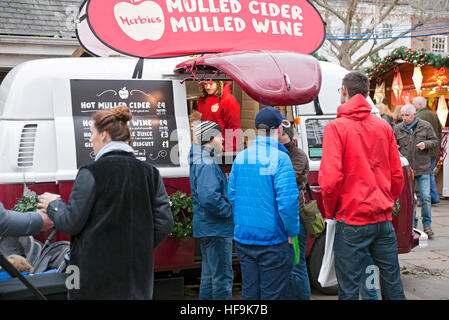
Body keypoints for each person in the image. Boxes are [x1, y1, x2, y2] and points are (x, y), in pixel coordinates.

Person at [38, 105, 174, 299]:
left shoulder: (90, 172)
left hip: (94, 281)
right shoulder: (150, 173)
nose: (90, 139)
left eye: (92, 133)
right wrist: (136, 246)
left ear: (103, 135)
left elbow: (71, 223)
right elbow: (164, 223)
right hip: (136, 278)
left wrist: (54, 206)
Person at [319, 71, 406, 300]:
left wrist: (332, 211)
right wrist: (388, 201)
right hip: (381, 218)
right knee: (392, 283)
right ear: (367, 94)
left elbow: (330, 180)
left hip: (352, 219)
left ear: (345, 91)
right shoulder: (384, 126)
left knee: (348, 287)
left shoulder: (336, 128)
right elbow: (397, 175)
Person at [228, 107, 300, 300]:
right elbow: (287, 202)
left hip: (244, 238)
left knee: (250, 294)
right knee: (273, 295)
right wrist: (292, 233)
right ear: (278, 129)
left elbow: (232, 195)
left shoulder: (241, 157)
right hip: (273, 240)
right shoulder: (281, 158)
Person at [188, 121, 234, 300]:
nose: (222, 138)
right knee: (222, 278)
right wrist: (229, 211)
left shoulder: (200, 159)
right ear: (210, 138)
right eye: (219, 135)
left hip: (207, 227)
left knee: (209, 278)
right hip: (217, 229)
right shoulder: (207, 163)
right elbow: (209, 197)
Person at [394, 104, 439, 239]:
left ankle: (427, 225)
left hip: (422, 167)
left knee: (425, 198)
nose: (404, 118)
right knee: (409, 200)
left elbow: (435, 141)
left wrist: (426, 144)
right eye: (402, 115)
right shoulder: (397, 128)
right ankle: (411, 226)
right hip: (407, 170)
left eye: (407, 115)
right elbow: (390, 144)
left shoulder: (425, 126)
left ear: (414, 115)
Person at [278, 121, 310, 300]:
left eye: (281, 132)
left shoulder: (298, 155)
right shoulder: (278, 153)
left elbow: (289, 179)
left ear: (287, 135)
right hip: (284, 216)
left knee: (297, 264)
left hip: (295, 215)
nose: (278, 135)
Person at [413, 96, 442, 205]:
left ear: (420, 105)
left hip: (423, 150)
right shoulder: (434, 115)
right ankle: (433, 196)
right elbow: (439, 132)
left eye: (414, 103)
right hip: (433, 150)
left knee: (424, 175)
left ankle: (429, 198)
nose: (413, 106)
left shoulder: (419, 116)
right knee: (429, 174)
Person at [197, 80, 241, 152]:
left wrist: (227, 150)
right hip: (204, 150)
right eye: (205, 84)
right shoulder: (202, 100)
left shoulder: (229, 100)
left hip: (221, 151)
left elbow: (234, 129)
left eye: (211, 83)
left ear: (219, 82)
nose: (208, 87)